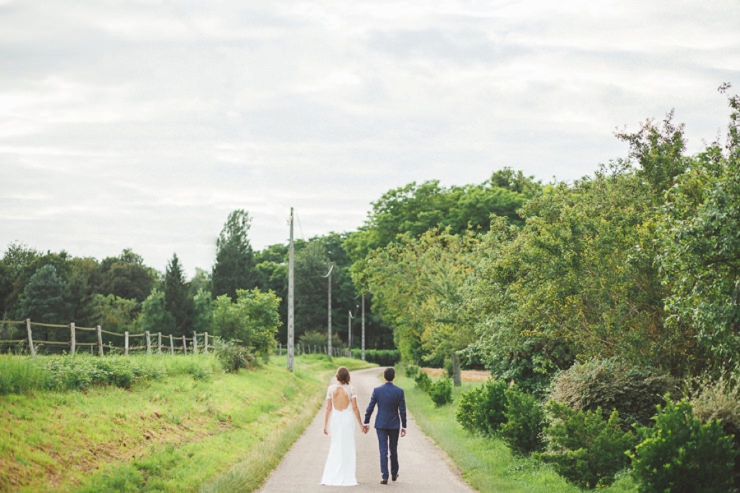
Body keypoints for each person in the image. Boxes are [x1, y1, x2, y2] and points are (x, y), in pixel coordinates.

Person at [321, 366, 369, 486]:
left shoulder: (331, 389)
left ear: (337, 376)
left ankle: (332, 474)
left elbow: (328, 408)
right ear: (347, 376)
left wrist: (325, 425)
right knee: (348, 446)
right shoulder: (351, 389)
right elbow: (354, 407)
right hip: (347, 419)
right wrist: (361, 424)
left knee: (336, 445)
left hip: (336, 419)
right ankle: (347, 474)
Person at [364, 367, 407, 485]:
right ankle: (394, 472)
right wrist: (404, 426)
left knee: (383, 450)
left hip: (381, 424)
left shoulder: (377, 390)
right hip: (394, 424)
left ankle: (384, 476)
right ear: (394, 376)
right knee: (393, 449)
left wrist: (366, 421)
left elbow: (371, 407)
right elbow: (402, 410)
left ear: (384, 376)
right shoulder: (399, 391)